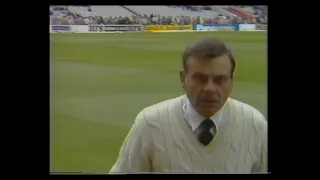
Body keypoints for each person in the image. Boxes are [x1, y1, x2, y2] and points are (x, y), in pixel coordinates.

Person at [109, 38, 268, 174]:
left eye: (220, 79)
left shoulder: (255, 124)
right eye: (200, 79)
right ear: (183, 78)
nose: (210, 89)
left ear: (232, 81)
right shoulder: (150, 123)